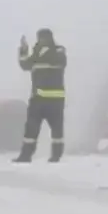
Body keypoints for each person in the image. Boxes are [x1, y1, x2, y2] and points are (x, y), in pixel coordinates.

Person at [13, 28, 67, 163]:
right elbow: (25, 65)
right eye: (39, 38)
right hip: (37, 99)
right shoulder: (37, 54)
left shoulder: (58, 51)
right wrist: (24, 50)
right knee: (30, 129)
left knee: (57, 131)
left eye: (43, 38)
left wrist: (40, 54)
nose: (40, 41)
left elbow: (59, 61)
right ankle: (25, 156)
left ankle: (56, 156)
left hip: (54, 100)